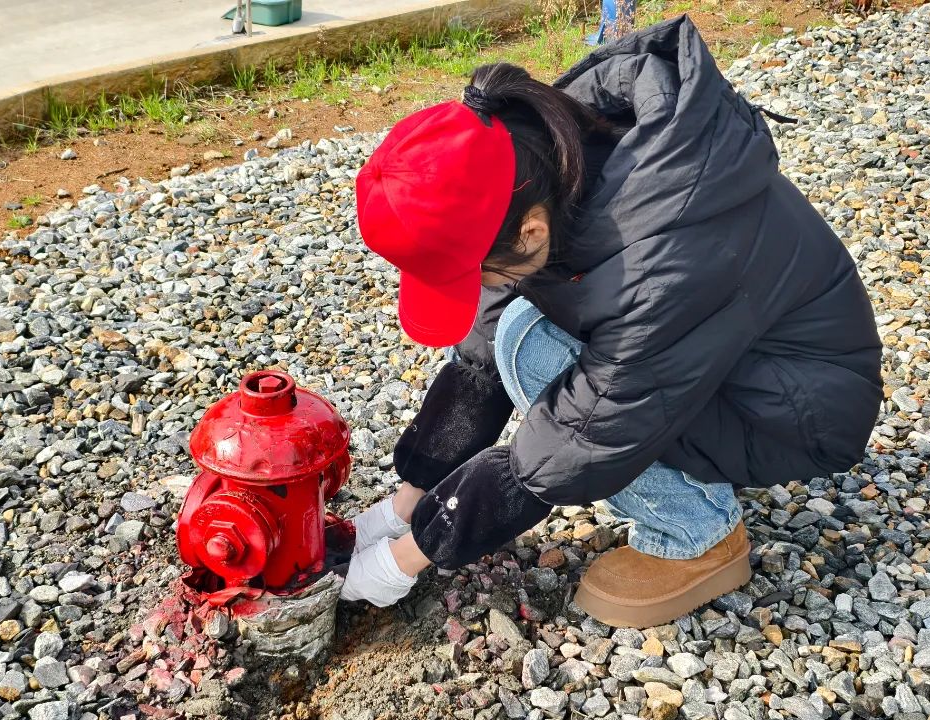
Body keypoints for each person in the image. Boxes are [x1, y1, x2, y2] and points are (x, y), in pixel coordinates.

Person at [339, 16, 883, 628]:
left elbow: (590, 426)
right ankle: (687, 495)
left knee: (528, 342)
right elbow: (479, 348)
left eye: (477, 272)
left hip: (795, 413)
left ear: (530, 232)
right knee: (508, 326)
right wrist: (409, 501)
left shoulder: (662, 254)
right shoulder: (539, 157)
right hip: (728, 364)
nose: (482, 286)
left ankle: (698, 533)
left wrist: (406, 560)